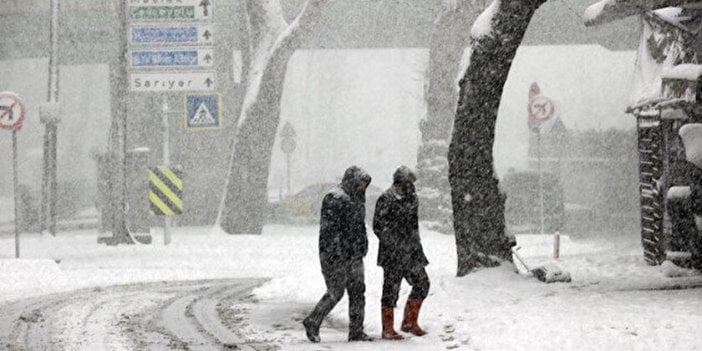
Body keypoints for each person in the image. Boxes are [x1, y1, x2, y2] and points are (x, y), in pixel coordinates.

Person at [302, 166, 373, 343]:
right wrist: (335, 253)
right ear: (352, 181)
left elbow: (359, 227)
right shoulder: (334, 199)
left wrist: (363, 244)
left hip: (354, 254)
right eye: (361, 183)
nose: (363, 187)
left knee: (358, 291)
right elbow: (329, 232)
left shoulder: (356, 200)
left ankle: (356, 331)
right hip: (336, 255)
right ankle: (313, 321)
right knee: (336, 291)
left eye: (365, 184)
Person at [373, 166, 430, 340]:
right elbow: (378, 226)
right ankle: (387, 329)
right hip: (393, 255)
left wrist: (415, 246)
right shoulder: (386, 199)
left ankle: (409, 322)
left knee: (422, 283)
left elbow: (414, 225)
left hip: (412, 252)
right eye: (409, 183)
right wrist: (394, 244)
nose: (412, 186)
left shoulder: (412, 198)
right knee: (391, 290)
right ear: (400, 182)